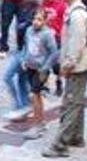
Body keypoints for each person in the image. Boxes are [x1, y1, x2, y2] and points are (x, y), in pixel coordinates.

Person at [43, 0, 87, 158]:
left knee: (70, 103)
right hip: (78, 64)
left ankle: (61, 144)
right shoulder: (72, 11)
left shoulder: (78, 15)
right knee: (76, 101)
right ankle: (76, 137)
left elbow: (76, 43)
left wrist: (67, 65)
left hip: (77, 66)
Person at [19, 9, 58, 141]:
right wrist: (24, 59)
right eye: (35, 19)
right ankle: (41, 122)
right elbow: (26, 46)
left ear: (45, 21)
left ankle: (37, 126)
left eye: (40, 19)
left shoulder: (47, 34)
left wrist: (45, 68)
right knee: (37, 96)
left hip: (41, 69)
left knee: (34, 95)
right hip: (30, 66)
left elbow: (54, 52)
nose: (36, 22)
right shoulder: (29, 31)